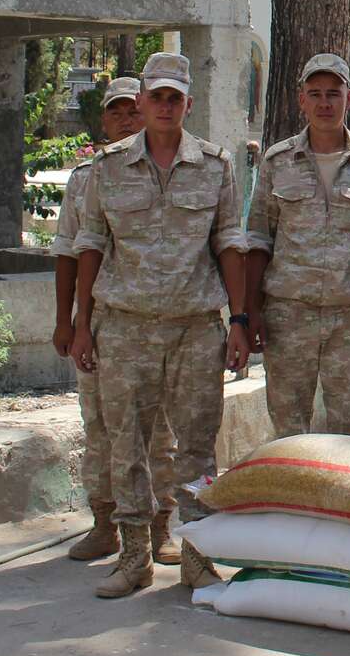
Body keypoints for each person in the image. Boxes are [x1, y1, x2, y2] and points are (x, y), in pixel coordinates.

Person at [70, 52, 252, 598]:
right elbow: (90, 246)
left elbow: (230, 245)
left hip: (196, 327)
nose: (166, 106)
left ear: (188, 104)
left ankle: (197, 556)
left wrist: (238, 321)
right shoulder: (107, 168)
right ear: (142, 102)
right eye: (158, 97)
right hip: (124, 327)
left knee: (198, 448)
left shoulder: (216, 166)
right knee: (127, 444)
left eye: (176, 98)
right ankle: (133, 558)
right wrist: (82, 325)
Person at [245, 53, 350, 437]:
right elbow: (258, 239)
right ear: (301, 100)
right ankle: (289, 499)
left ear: (349, 99)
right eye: (314, 94)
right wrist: (251, 310)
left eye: (333, 93)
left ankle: (341, 499)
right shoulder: (277, 161)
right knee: (288, 428)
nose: (324, 103)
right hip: (288, 316)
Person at [52, 76, 171, 562]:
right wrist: (67, 320)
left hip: (159, 323)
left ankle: (161, 526)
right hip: (100, 325)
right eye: (116, 112)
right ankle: (105, 523)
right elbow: (67, 251)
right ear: (104, 120)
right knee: (101, 427)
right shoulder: (85, 179)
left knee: (160, 430)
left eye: (132, 110)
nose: (126, 120)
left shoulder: (170, 172)